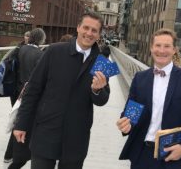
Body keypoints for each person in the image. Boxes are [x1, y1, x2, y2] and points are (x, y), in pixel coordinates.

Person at [13, 11, 110, 169]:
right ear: (78, 27)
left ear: (99, 35)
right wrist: (21, 123)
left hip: (77, 134)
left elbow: (103, 100)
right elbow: (33, 89)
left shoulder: (102, 62)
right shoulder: (54, 51)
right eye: (86, 27)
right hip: (46, 129)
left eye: (94, 30)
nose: (89, 33)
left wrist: (97, 90)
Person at [116, 28, 181, 169]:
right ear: (151, 48)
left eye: (167, 46)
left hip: (174, 155)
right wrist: (126, 125)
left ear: (174, 50)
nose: (162, 50)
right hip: (142, 155)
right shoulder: (140, 79)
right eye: (158, 46)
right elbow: (130, 114)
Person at [6, 28, 46, 169]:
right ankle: (13, 154)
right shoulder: (40, 55)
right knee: (22, 122)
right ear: (41, 39)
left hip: (16, 90)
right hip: (28, 94)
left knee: (17, 119)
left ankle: (9, 154)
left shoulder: (20, 49)